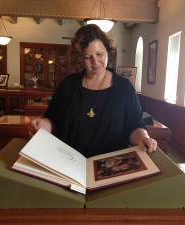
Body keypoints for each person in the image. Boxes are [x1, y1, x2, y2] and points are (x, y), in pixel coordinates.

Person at [28, 24, 157, 158]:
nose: (95, 61)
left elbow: (135, 125)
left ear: (108, 50)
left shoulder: (125, 88)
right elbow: (53, 121)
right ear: (80, 58)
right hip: (68, 163)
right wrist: (42, 126)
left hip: (111, 166)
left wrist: (143, 137)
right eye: (87, 57)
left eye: (100, 54)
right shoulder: (68, 85)